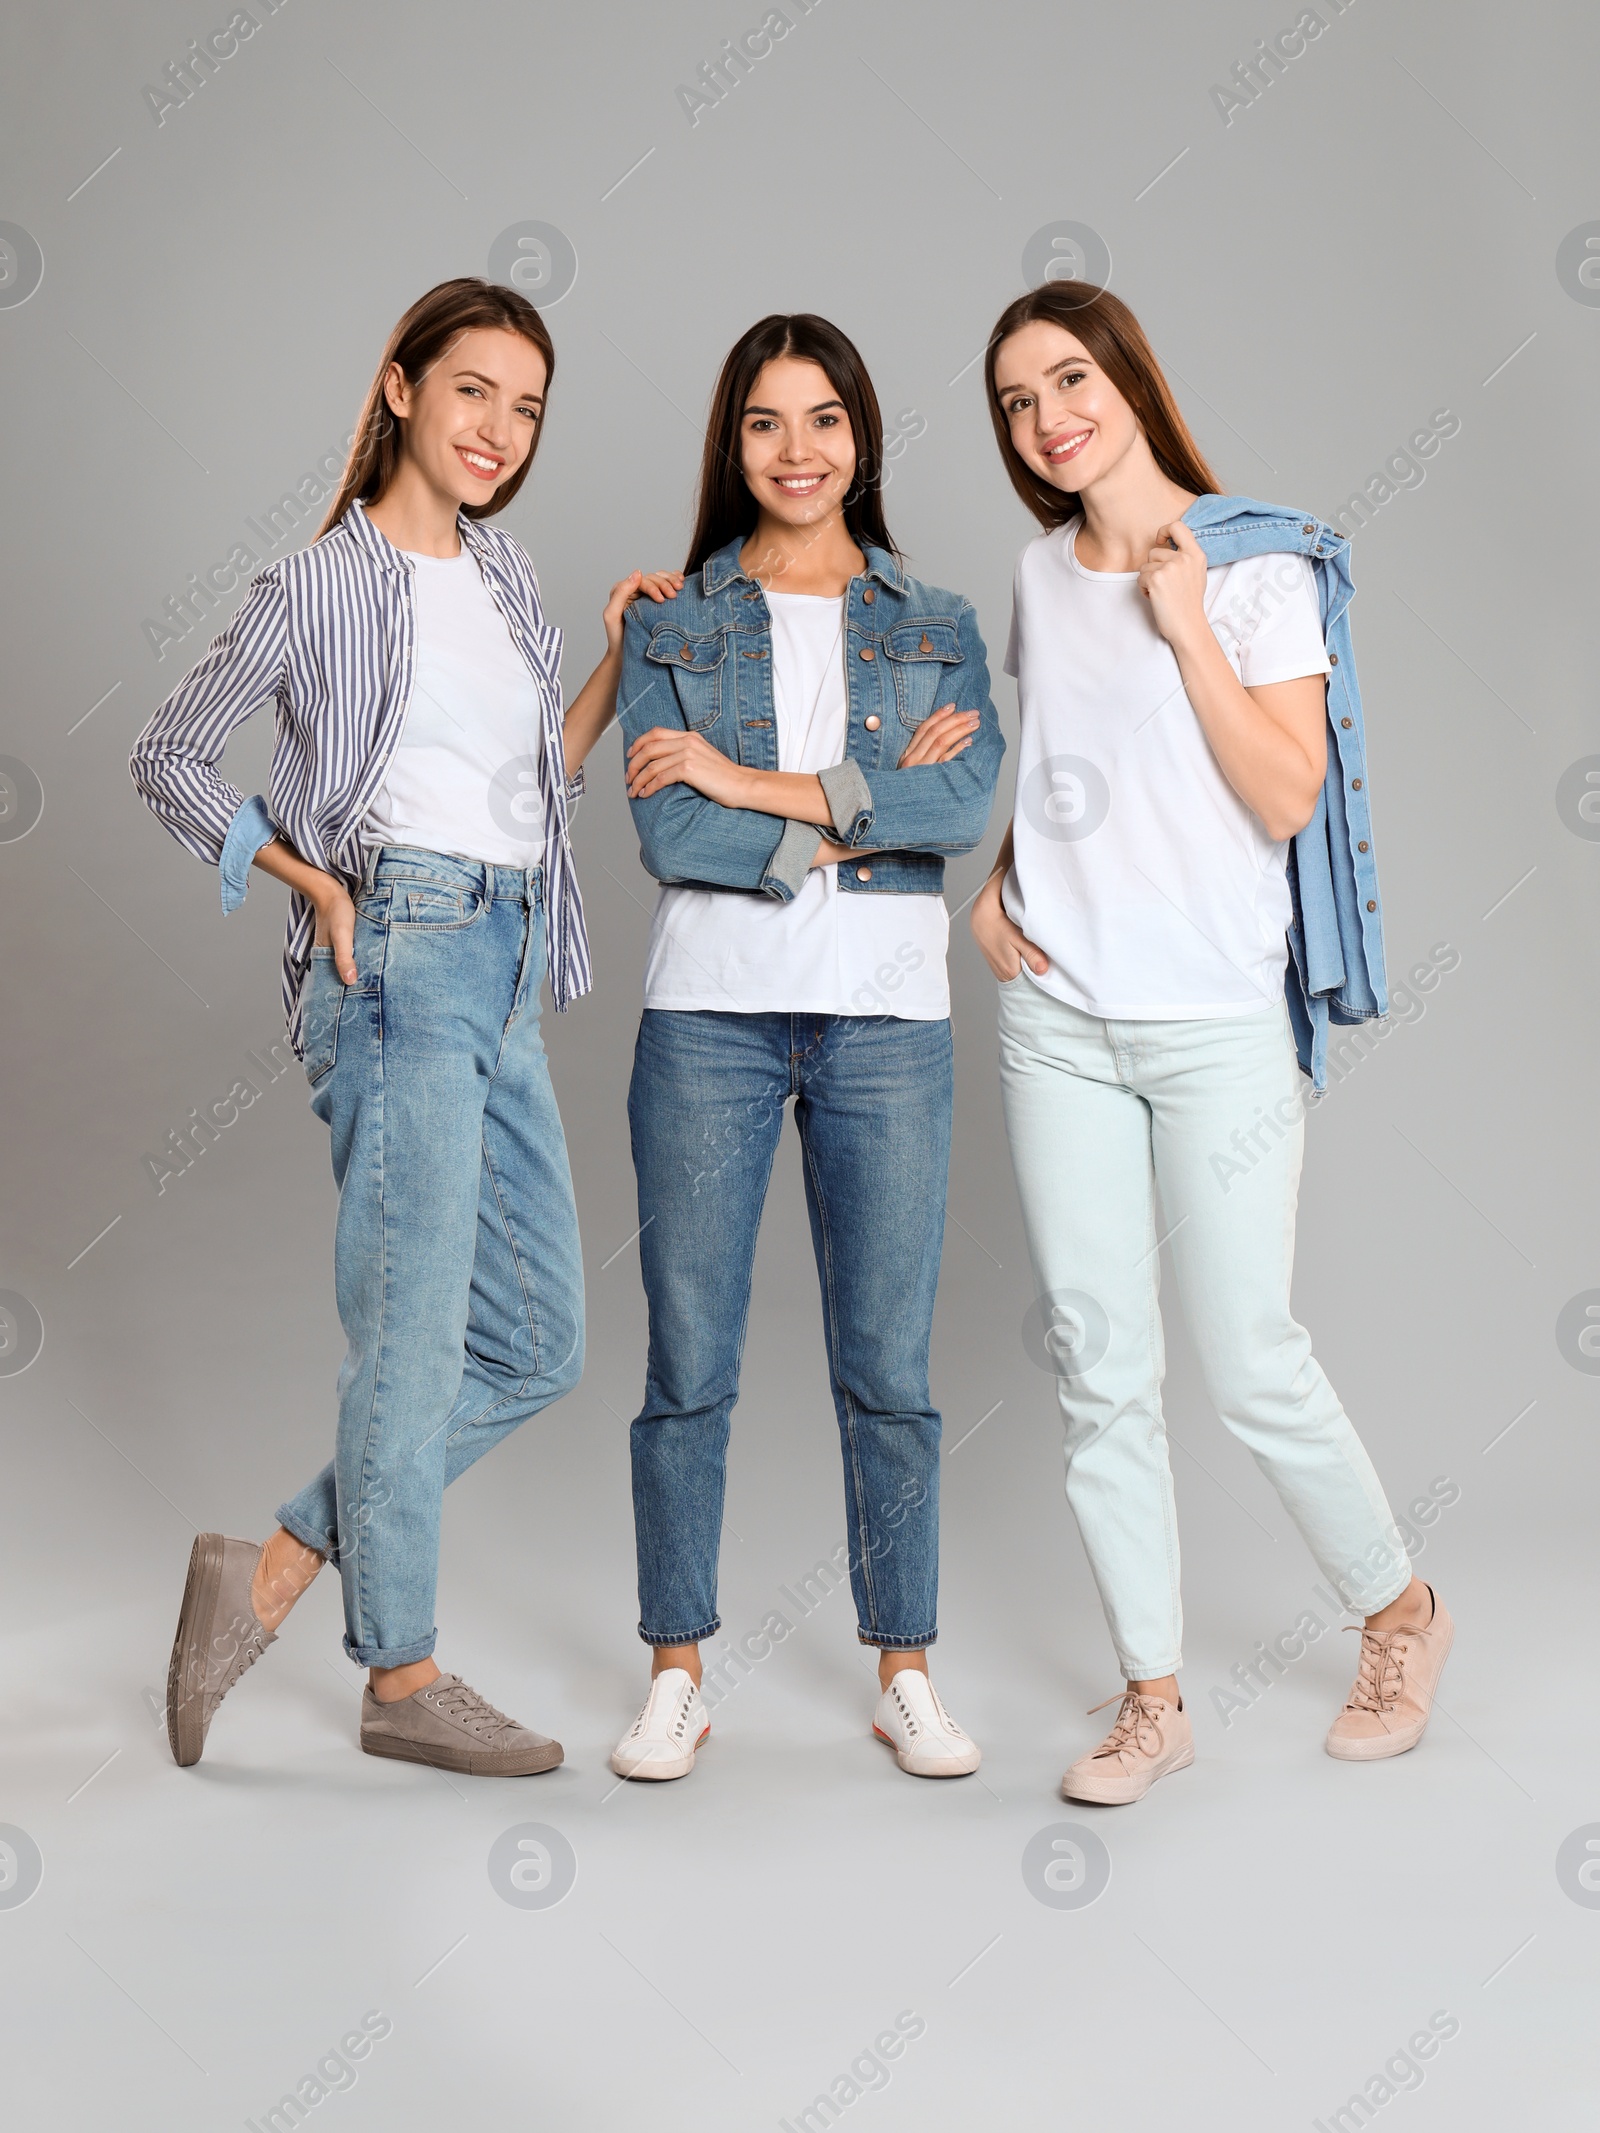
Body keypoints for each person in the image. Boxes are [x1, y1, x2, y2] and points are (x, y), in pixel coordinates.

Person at [131, 277, 681, 1775]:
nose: (500, 429)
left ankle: (265, 1578)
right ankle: (404, 1674)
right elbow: (169, 753)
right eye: (474, 392)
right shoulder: (322, 584)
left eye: (527, 408)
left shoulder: (505, 579)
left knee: (541, 1334)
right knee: (415, 1338)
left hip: (501, 961)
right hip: (399, 961)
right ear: (400, 388)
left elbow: (518, 787)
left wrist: (613, 680)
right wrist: (306, 877)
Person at [970, 281, 1452, 1804]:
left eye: (1068, 379)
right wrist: (993, 885)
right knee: (1103, 1369)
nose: (1050, 419)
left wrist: (1185, 629)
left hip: (1215, 1025)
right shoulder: (1039, 578)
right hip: (1058, 1021)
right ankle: (1153, 1696)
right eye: (1017, 403)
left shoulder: (1252, 568)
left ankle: (1402, 1609)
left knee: (1249, 1356)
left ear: (1125, 375)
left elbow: (1284, 793)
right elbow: (1072, 768)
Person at [607, 314, 1003, 1780]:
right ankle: (675, 1670)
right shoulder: (672, 623)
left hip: (889, 1025)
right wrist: (851, 808)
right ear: (734, 443)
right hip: (708, 1015)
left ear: (863, 437)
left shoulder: (936, 617)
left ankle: (907, 1665)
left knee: (888, 1367)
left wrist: (741, 773)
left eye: (824, 419)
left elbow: (961, 809)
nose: (797, 450)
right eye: (767, 423)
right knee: (689, 1363)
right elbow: (669, 831)